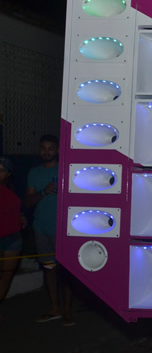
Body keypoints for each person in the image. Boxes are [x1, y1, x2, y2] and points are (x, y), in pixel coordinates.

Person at [25, 135, 74, 326]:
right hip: (41, 228)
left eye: (51, 148)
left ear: (58, 150)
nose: (46, 152)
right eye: (43, 148)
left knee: (67, 272)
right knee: (48, 269)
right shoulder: (34, 172)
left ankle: (68, 311)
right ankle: (54, 308)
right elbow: (28, 201)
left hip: (63, 229)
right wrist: (43, 192)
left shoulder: (66, 170)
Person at [0, 156, 25, 321]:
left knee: (6, 276)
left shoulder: (11, 189)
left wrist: (21, 217)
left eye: (2, 170)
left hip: (13, 238)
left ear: (8, 174)